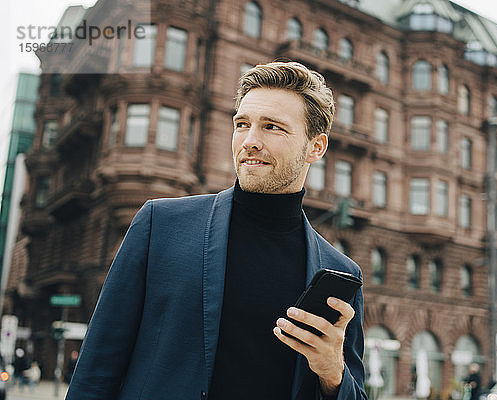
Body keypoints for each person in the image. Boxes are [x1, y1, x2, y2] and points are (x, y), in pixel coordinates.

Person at [65, 61, 367, 400]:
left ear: (316, 147)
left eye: (272, 127)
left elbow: (354, 391)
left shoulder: (340, 273)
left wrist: (333, 373)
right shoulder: (160, 225)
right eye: (242, 124)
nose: (250, 141)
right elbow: (95, 372)